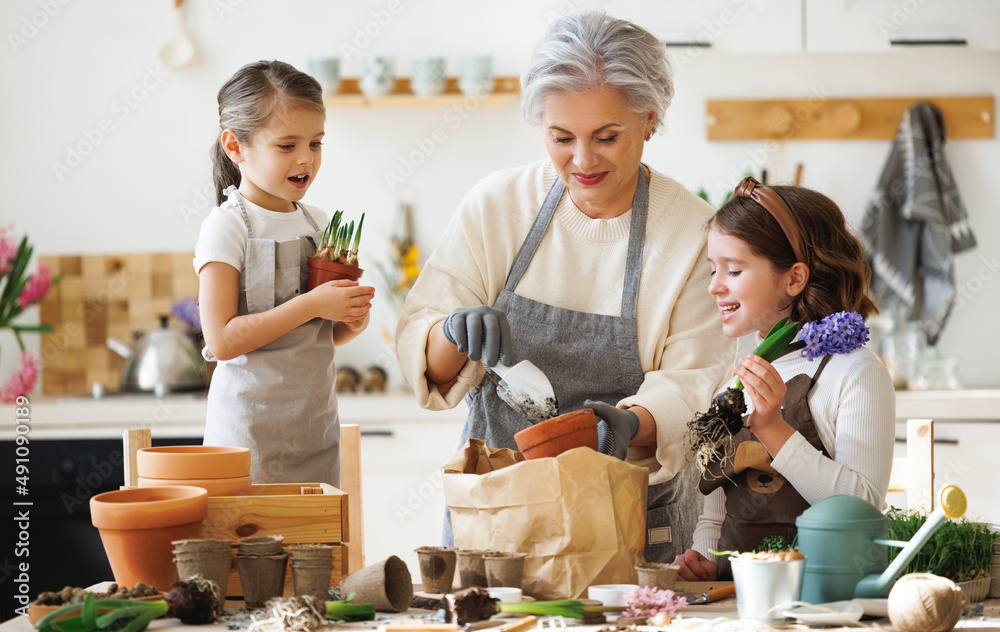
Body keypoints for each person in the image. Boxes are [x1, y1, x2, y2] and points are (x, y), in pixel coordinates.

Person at [394, 12, 735, 562]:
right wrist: (450, 333)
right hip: (499, 519)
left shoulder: (693, 234)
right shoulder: (497, 206)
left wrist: (633, 422)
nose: (582, 160)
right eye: (561, 137)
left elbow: (697, 382)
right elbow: (422, 347)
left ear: (649, 119)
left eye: (606, 137)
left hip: (631, 520)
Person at [672, 177, 895, 581]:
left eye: (734, 270)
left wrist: (774, 430)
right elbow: (718, 508)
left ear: (794, 278)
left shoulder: (855, 372)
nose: (713, 286)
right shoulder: (736, 374)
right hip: (737, 603)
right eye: (712, 269)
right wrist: (704, 558)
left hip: (822, 602)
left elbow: (862, 506)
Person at [194, 60, 375, 487]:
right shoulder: (227, 226)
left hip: (315, 435)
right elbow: (220, 340)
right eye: (286, 145)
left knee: (317, 553)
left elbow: (316, 337)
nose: (306, 159)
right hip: (245, 443)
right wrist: (312, 303)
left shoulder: (318, 225)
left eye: (315, 143)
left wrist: (349, 320)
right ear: (235, 148)